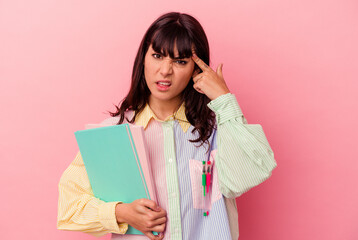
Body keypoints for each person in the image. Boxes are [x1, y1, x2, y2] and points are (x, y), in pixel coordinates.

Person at [57, 11, 277, 240]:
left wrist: (224, 99)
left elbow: (249, 173)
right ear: (143, 58)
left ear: (196, 69)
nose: (165, 71)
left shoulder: (218, 129)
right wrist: (122, 212)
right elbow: (69, 206)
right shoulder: (113, 133)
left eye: (180, 61)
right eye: (158, 56)